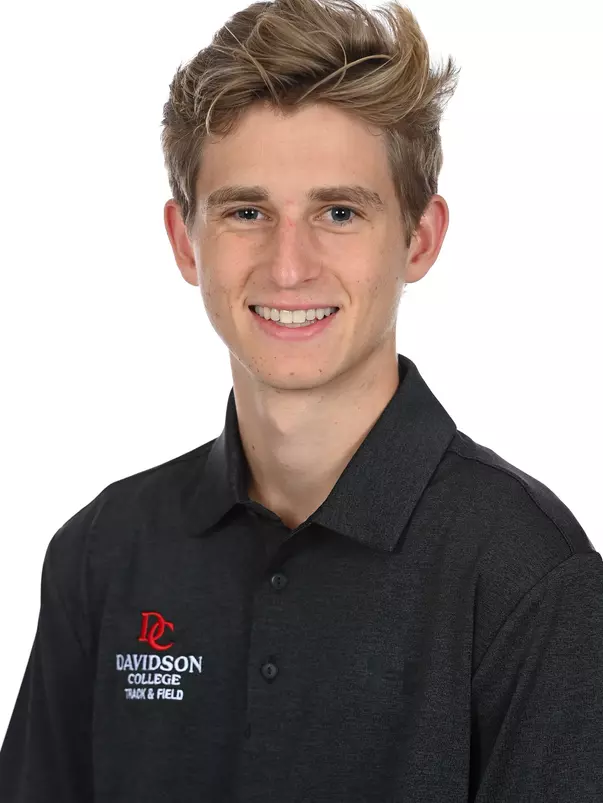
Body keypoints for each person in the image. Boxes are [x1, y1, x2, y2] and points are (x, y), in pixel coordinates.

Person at [1, 0, 602, 800]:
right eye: (246, 212)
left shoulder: (528, 576)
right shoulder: (102, 552)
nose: (289, 267)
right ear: (186, 241)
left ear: (419, 238)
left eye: (339, 212)